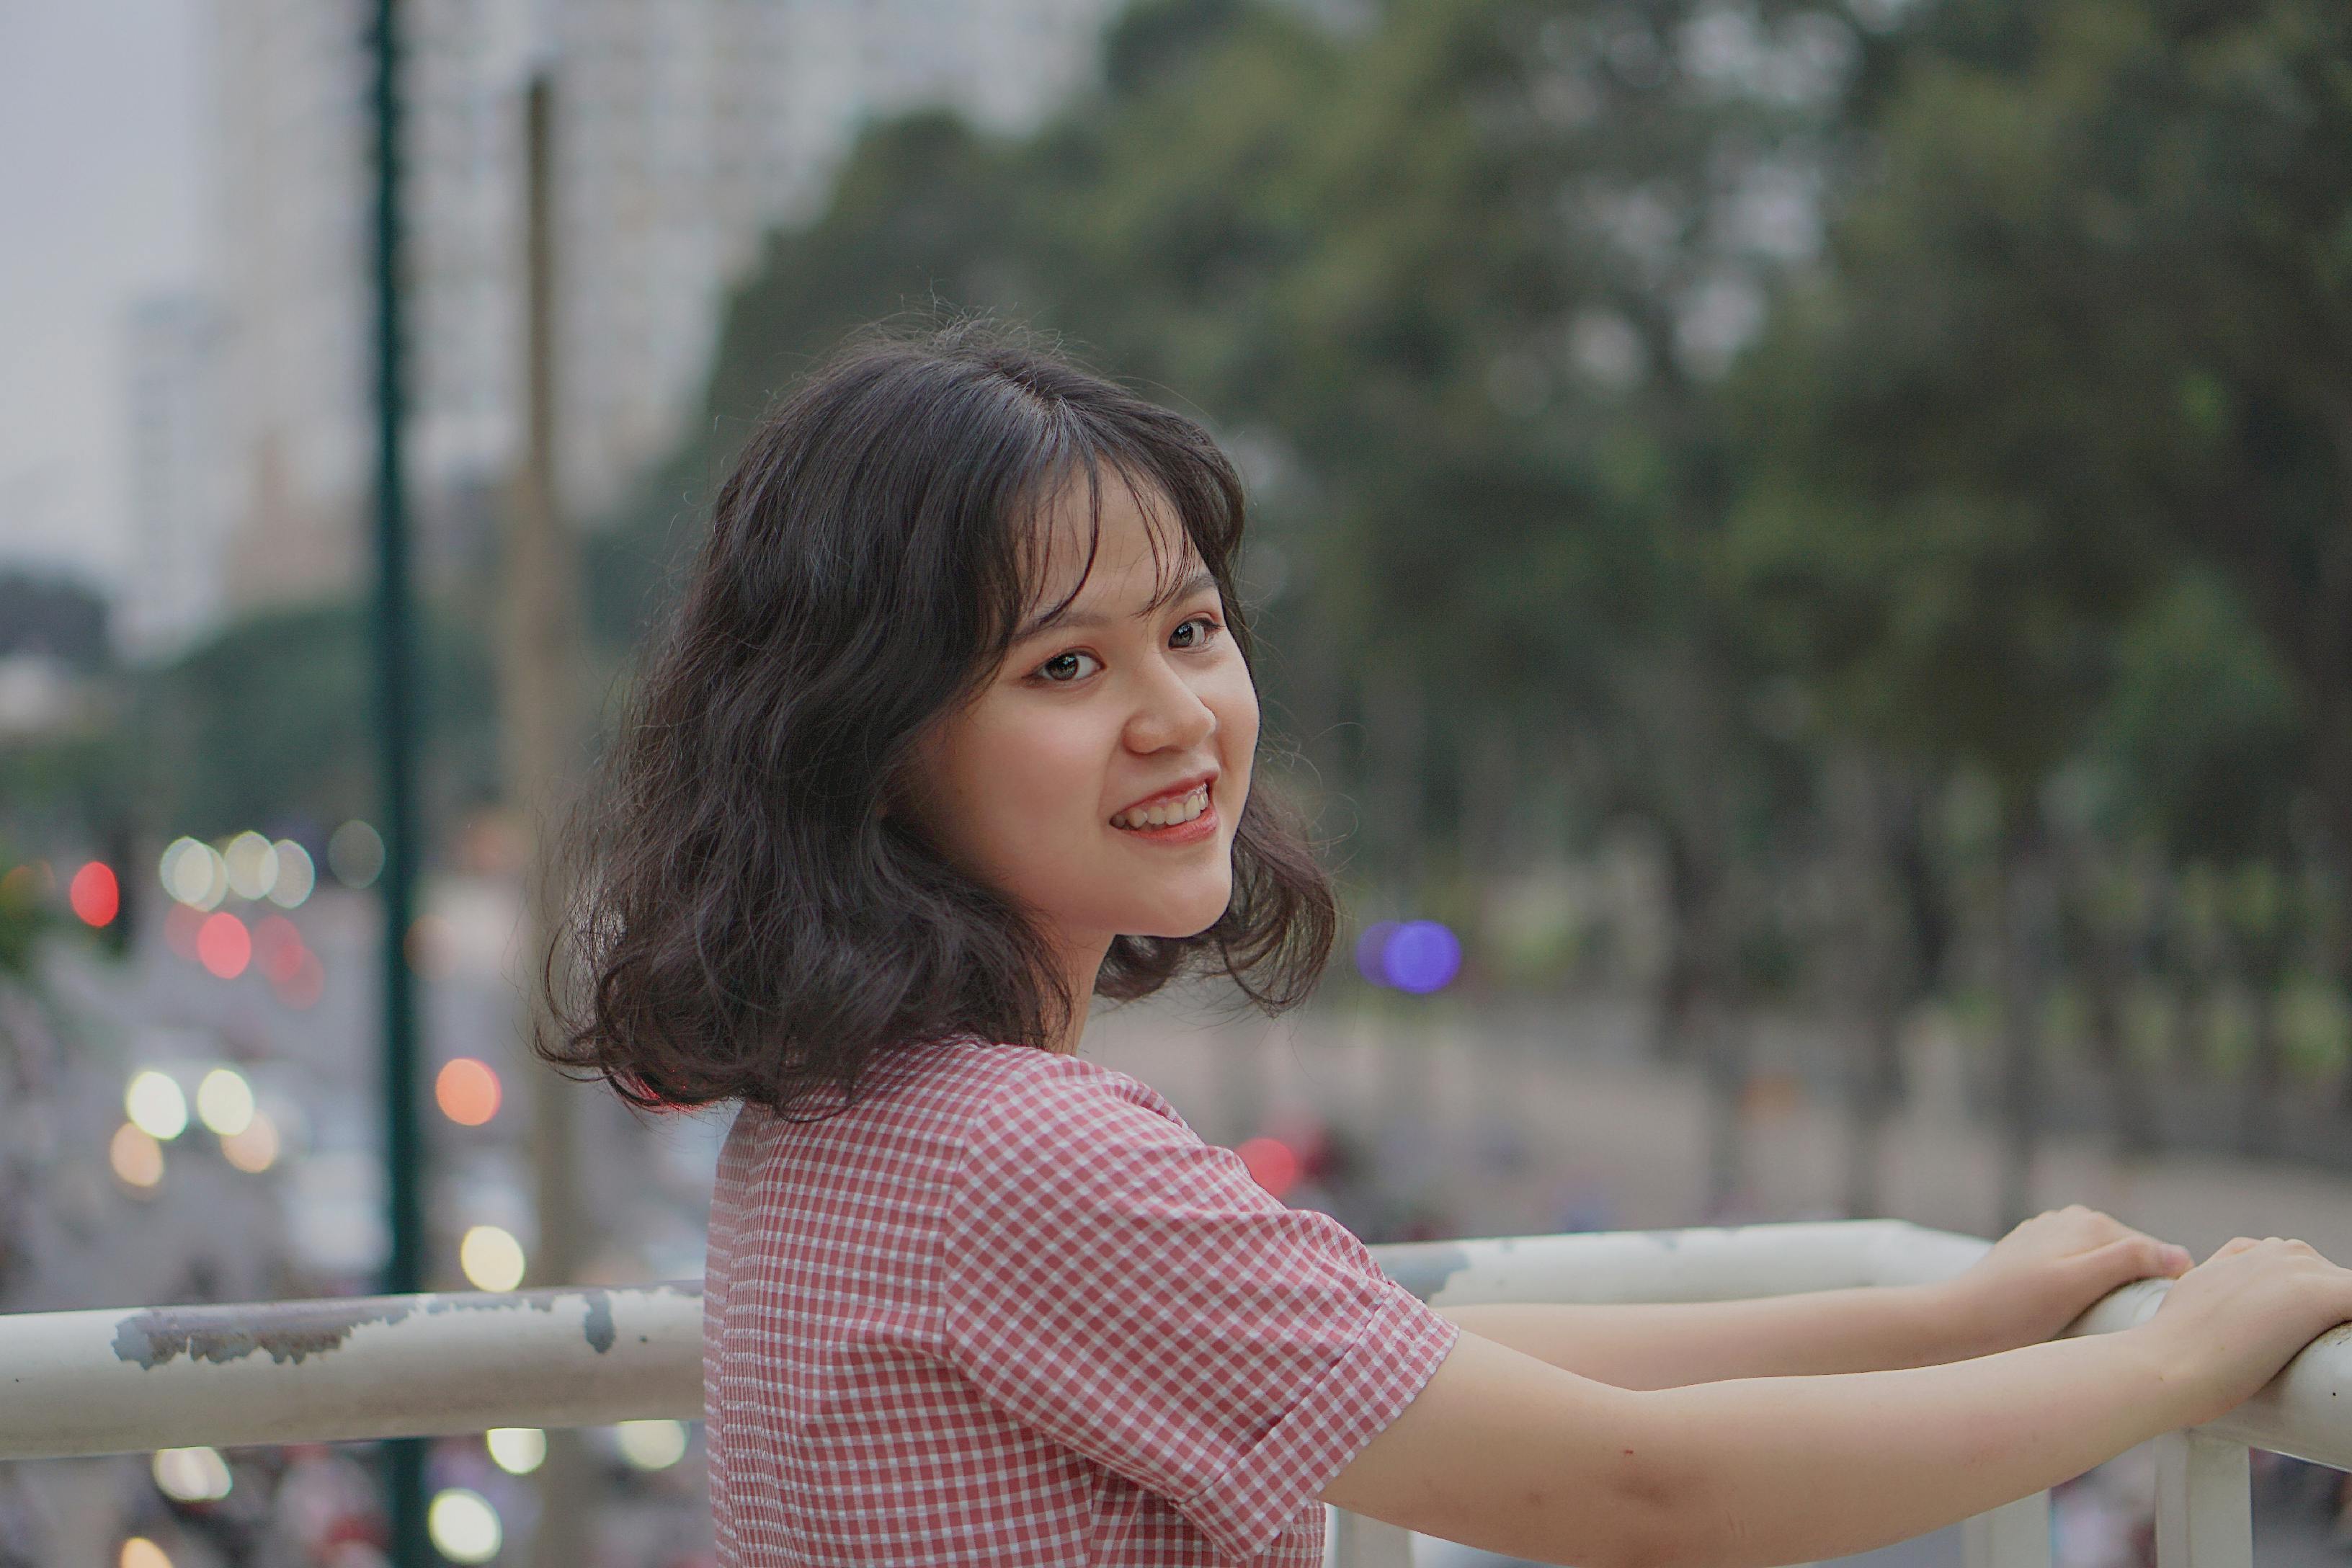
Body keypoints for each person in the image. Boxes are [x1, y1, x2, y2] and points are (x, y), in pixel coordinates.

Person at [540, 323, 2352, 1567]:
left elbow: (1400, 1357)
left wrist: (1942, 1315)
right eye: (1064, 666)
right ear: (872, 742)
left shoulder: (854, 1122)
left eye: (1191, 625)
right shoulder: (1019, 1152)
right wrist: (2170, 1372)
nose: (1178, 713)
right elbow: (1642, 1492)